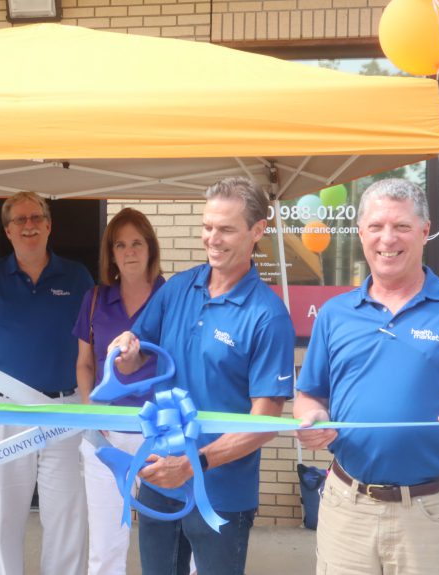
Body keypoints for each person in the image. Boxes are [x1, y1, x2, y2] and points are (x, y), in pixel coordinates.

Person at [294, 178, 439, 575]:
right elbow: (310, 394)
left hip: (431, 513)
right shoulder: (334, 314)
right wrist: (311, 418)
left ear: (424, 231)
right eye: (377, 226)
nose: (388, 239)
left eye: (401, 226)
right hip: (346, 507)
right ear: (361, 233)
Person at [110, 177, 296, 575]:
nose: (213, 238)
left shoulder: (268, 315)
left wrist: (195, 464)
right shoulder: (178, 288)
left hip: (222, 493)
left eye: (226, 229)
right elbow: (134, 359)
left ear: (257, 231)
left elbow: (263, 424)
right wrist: (124, 348)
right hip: (161, 479)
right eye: (207, 226)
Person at [0, 191, 93, 575]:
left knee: (67, 519)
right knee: (3, 520)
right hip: (0, 410)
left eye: (36, 218)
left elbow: (93, 346)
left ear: (48, 225)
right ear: (8, 230)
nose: (29, 226)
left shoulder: (77, 277)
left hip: (66, 410)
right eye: (20, 220)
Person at [72, 208, 165, 575]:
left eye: (137, 243)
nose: (129, 252)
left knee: (166, 539)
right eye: (120, 245)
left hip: (158, 436)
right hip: (105, 436)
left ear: (150, 248)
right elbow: (83, 364)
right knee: (107, 547)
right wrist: (91, 414)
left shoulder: (170, 296)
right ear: (110, 253)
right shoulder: (95, 298)